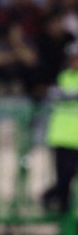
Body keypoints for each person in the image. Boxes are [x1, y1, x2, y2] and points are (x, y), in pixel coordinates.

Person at [43, 45, 78, 213]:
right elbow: (50, 96)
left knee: (69, 178)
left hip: (75, 138)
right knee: (63, 179)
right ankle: (64, 217)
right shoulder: (62, 77)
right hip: (61, 137)